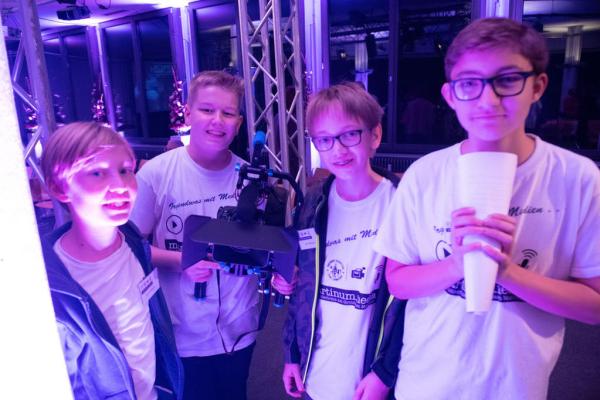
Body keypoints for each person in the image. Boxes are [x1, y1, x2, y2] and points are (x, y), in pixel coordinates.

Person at [373, 17, 600, 400]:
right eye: (469, 83)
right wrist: (456, 265)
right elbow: (397, 281)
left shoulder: (577, 178)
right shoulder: (425, 175)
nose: (488, 100)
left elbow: (594, 306)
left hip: (516, 387)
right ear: (450, 95)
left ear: (537, 86)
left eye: (507, 80)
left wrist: (507, 272)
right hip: (425, 383)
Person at [130, 71, 258, 400]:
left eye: (228, 113)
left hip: (239, 328)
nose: (217, 120)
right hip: (182, 332)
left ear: (239, 123)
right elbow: (130, 248)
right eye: (207, 110)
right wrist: (181, 260)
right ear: (188, 113)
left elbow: (260, 249)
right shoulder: (155, 174)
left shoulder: (251, 179)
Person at [279, 82, 405, 400]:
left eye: (349, 135)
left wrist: (385, 373)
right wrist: (292, 353)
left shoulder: (401, 203)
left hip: (371, 379)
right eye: (324, 139)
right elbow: (303, 288)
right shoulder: (314, 204)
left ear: (374, 135)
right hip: (315, 374)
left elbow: (410, 304)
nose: (337, 150)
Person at [40, 121, 183, 399]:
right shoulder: (47, 281)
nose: (120, 185)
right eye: (97, 172)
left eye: (125, 170)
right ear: (59, 187)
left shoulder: (132, 240)